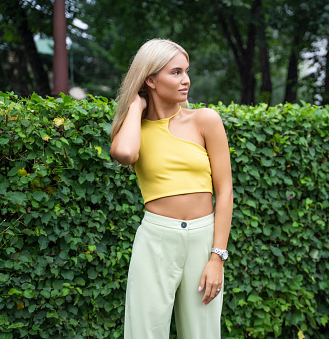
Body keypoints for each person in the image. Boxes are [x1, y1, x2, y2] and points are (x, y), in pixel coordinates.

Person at [109, 39, 233, 339]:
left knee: (202, 334)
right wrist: (137, 106)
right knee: (143, 333)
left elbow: (225, 190)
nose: (186, 80)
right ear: (150, 79)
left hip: (203, 240)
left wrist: (217, 257)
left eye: (186, 71)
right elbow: (124, 154)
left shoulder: (205, 120)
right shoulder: (135, 129)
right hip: (155, 241)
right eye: (175, 72)